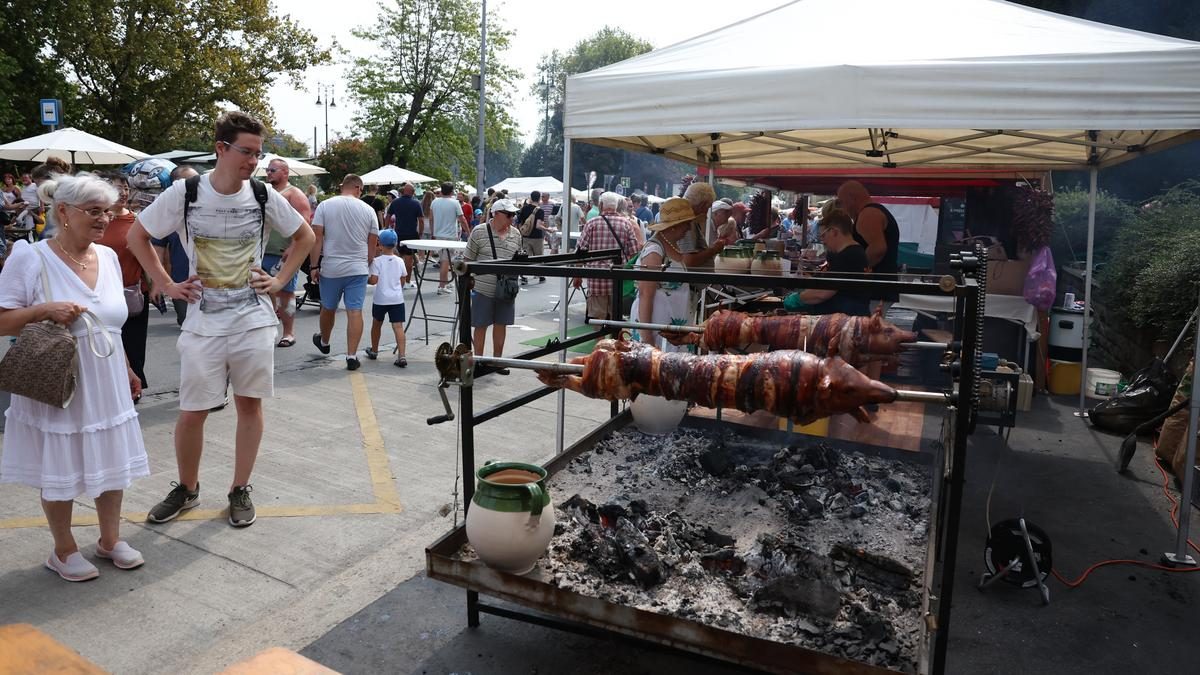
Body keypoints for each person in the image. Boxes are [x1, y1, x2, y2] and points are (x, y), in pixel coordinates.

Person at [129, 110, 314, 528]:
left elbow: (306, 236)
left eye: (259, 154)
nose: (254, 162)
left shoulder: (265, 195)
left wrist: (281, 278)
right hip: (202, 322)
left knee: (250, 405)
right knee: (192, 410)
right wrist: (167, 282)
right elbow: (136, 236)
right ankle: (188, 487)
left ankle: (239, 488)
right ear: (221, 150)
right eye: (246, 152)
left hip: (252, 320)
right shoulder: (186, 193)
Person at [0, 173, 149, 581]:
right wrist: (42, 311)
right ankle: (63, 550)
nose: (104, 219)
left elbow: (112, 327)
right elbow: (2, 321)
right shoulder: (30, 256)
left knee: (112, 460)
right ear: (63, 212)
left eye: (109, 211)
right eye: (94, 211)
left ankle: (109, 539)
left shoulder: (109, 258)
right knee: (60, 467)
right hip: (57, 377)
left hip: (107, 377)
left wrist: (127, 368)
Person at [308, 174, 379, 370]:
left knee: (328, 307)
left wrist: (314, 266)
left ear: (343, 186)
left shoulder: (325, 206)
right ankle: (351, 355)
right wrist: (368, 264)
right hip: (358, 268)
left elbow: (317, 238)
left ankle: (324, 341)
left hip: (332, 267)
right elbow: (372, 246)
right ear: (358, 188)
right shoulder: (369, 210)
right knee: (354, 311)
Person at [96, 172, 151, 391]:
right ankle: (111, 389)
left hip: (133, 292)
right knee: (107, 343)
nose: (123, 193)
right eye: (117, 188)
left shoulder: (138, 220)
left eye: (126, 188)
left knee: (134, 344)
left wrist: (157, 284)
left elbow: (149, 254)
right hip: (101, 294)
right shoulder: (97, 220)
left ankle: (133, 388)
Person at [630, 197, 697, 348]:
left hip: (671, 327)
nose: (689, 228)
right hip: (657, 328)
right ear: (674, 226)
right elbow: (645, 294)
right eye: (686, 224)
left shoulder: (672, 246)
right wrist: (647, 338)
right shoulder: (654, 250)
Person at [262, 158, 313, 348]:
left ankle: (288, 333)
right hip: (264, 251)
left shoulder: (294, 194)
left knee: (286, 293)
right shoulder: (265, 193)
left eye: (273, 170)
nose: (268, 173)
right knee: (264, 292)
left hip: (283, 253)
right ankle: (268, 330)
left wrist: (293, 247)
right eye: (267, 170)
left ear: (285, 172)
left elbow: (305, 223)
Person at [464, 198, 523, 360]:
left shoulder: (516, 233)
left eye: (513, 215)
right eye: (509, 215)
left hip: (506, 288)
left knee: (501, 324)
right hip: (482, 287)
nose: (512, 218)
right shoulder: (479, 231)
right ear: (496, 214)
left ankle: (497, 361)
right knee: (480, 325)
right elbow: (467, 259)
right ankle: (479, 360)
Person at [575, 191, 641, 321]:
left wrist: (577, 275)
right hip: (618, 278)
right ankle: (613, 341)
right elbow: (634, 252)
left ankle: (600, 341)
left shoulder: (591, 223)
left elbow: (580, 251)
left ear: (600, 205)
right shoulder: (626, 224)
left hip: (596, 279)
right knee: (615, 317)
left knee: (597, 318)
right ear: (616, 206)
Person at [793, 209, 870, 316]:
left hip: (847, 320)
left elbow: (823, 293)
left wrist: (797, 299)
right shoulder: (845, 253)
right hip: (842, 317)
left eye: (823, 235)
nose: (823, 241)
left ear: (834, 231)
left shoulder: (849, 255)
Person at [836, 180, 900, 303]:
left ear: (852, 198)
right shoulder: (871, 212)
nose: (842, 207)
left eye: (842, 202)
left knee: (869, 322)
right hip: (878, 289)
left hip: (876, 290)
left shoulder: (868, 214)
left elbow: (878, 249)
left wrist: (854, 272)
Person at [151, 165, 199, 327]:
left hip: (217, 284)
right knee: (189, 328)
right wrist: (159, 283)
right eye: (188, 182)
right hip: (183, 284)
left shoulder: (213, 207)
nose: (194, 185)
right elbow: (157, 250)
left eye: (196, 181)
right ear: (174, 186)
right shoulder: (167, 214)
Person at [366, 228, 408, 367]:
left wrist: (367, 279)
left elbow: (374, 281)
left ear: (380, 244)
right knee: (398, 327)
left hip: (380, 299)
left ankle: (374, 350)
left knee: (377, 324)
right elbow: (403, 279)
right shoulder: (400, 261)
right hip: (397, 299)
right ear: (395, 244)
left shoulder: (376, 262)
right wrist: (397, 289)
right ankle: (402, 356)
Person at [430, 181, 467, 294]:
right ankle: (441, 286)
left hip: (438, 234)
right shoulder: (455, 203)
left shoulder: (434, 202)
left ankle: (445, 282)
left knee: (445, 260)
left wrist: (433, 232)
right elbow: (462, 219)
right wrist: (469, 231)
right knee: (446, 261)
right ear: (451, 191)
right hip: (450, 235)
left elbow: (431, 219)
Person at [385, 181, 422, 288]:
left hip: (398, 233)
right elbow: (421, 219)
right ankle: (407, 281)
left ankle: (396, 280)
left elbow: (388, 215)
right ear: (413, 192)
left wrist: (386, 228)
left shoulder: (395, 202)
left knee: (397, 257)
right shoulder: (416, 203)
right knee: (409, 259)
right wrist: (419, 233)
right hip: (411, 234)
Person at [680, 182, 725, 267]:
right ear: (702, 204)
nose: (706, 212)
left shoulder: (690, 220)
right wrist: (714, 249)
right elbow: (688, 261)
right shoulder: (685, 222)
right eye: (708, 207)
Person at [517, 190, 548, 283]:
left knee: (526, 257)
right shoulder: (540, 211)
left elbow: (519, 223)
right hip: (537, 237)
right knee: (538, 256)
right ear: (539, 198)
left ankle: (524, 276)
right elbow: (538, 226)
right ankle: (540, 275)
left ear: (531, 197)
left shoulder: (524, 208)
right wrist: (548, 229)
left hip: (525, 236)